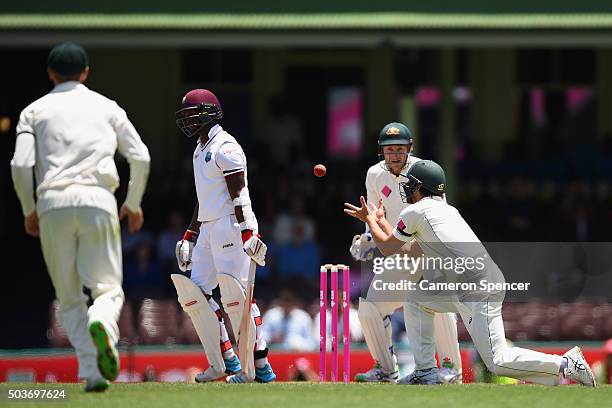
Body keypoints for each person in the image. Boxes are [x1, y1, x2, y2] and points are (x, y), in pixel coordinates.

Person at [344, 160, 596, 386]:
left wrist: (371, 220)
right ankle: (425, 372)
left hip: (476, 288)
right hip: (469, 285)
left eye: (412, 185)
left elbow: (388, 249)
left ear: (422, 188)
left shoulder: (415, 212)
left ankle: (566, 364)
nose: (408, 189)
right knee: (416, 299)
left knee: (497, 361)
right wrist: (380, 222)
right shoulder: (445, 211)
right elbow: (410, 252)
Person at [10, 42, 150, 392]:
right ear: (86, 71)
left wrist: (29, 210)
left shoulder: (34, 111)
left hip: (52, 203)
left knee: (69, 298)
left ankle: (92, 371)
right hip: (98, 199)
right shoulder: (106, 107)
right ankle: (101, 322)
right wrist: (132, 203)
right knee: (107, 290)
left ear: (50, 73)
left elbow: (20, 165)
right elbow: (141, 157)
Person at [172, 89, 275, 383]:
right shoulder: (199, 148)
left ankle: (257, 367)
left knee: (236, 298)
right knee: (196, 295)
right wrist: (190, 235)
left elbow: (239, 195)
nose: (188, 121)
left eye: (192, 114)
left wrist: (246, 233)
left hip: (232, 225)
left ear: (209, 113)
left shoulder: (226, 147)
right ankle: (224, 361)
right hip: (208, 226)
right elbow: (205, 198)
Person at [349, 122, 462, 383]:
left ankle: (450, 369)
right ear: (381, 152)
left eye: (400, 149)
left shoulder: (425, 172)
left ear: (409, 149)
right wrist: (367, 237)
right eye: (389, 150)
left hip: (428, 252)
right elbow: (375, 215)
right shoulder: (374, 175)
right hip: (400, 255)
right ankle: (385, 370)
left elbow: (438, 218)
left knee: (438, 303)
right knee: (369, 307)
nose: (395, 155)